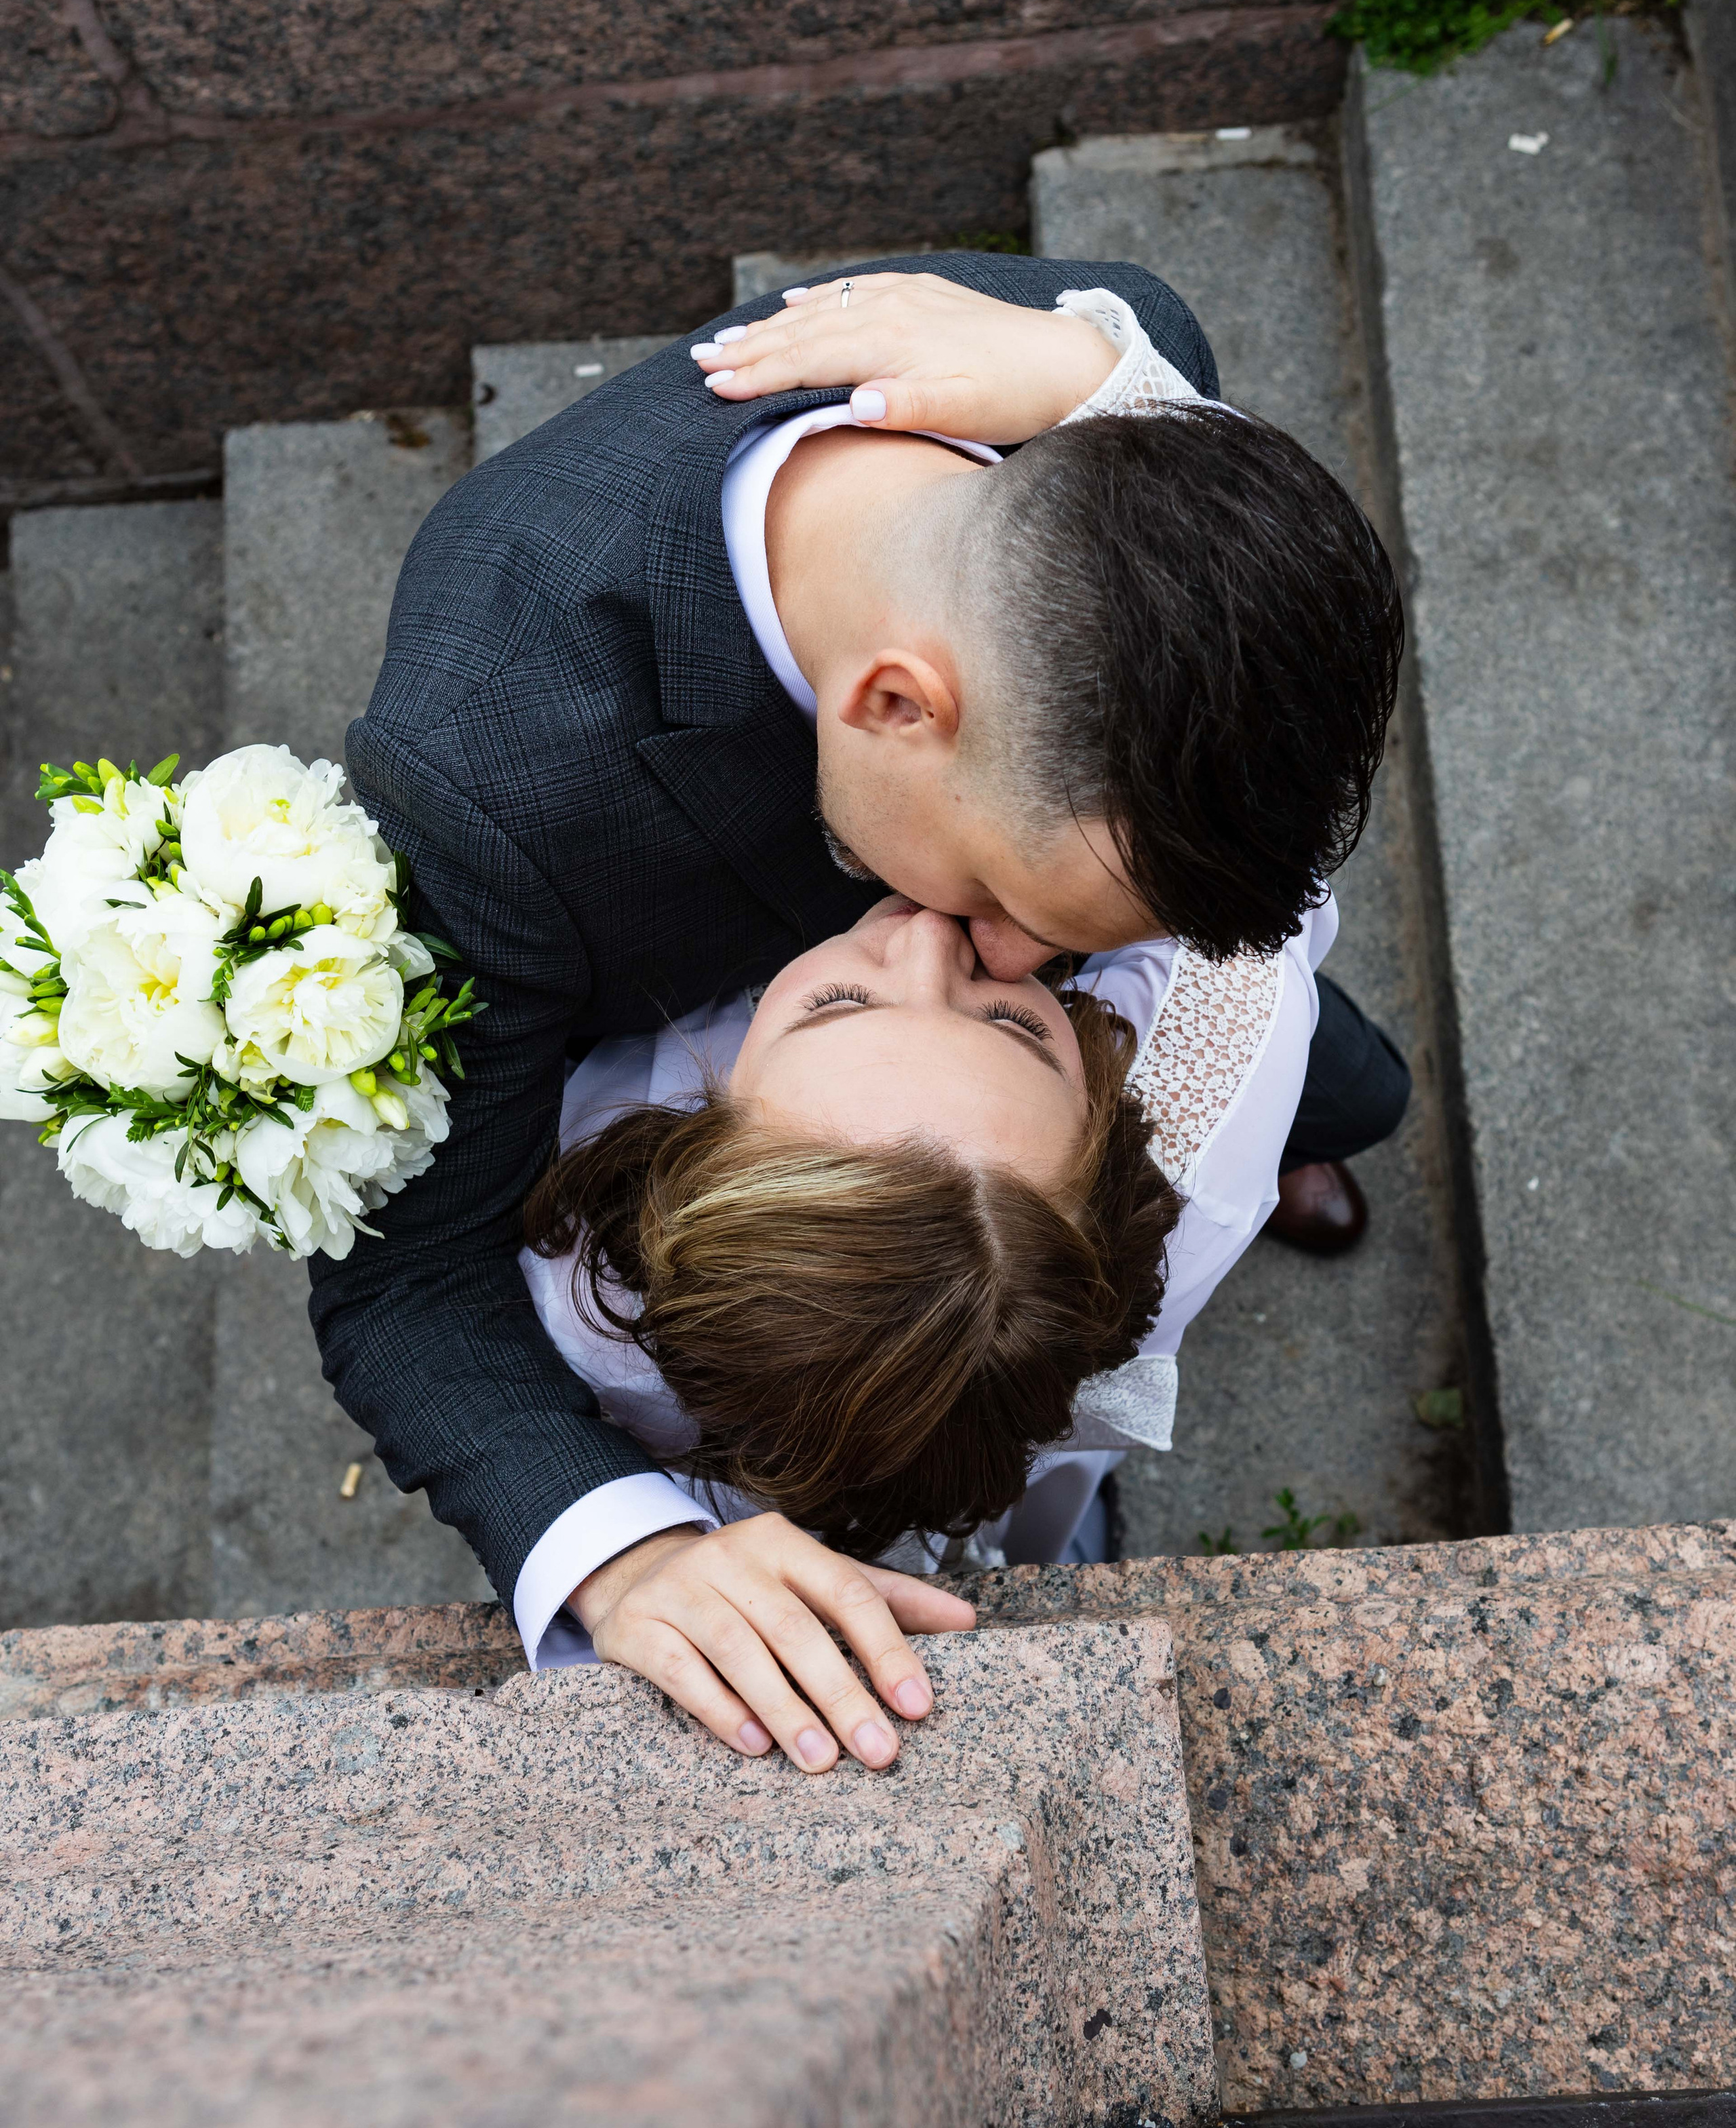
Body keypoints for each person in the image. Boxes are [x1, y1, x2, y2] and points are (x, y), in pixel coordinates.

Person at [315, 258, 1410, 1773]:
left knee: (1308, 1060)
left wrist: (1116, 377)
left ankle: (1323, 1111)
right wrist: (624, 1556)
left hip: (1043, 1111)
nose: (1021, 960)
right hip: (845, 1160)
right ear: (895, 706)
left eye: (1084, 941)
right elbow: (406, 1271)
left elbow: (1145, 360)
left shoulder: (1095, 360)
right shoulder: (492, 767)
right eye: (1004, 897)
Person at [513, 890, 1337, 1772]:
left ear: (697, 1142)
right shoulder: (1223, 1080)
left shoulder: (576, 1285)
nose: (931, 940)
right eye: (1019, 1026)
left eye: (835, 1007)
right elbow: (1260, 885)